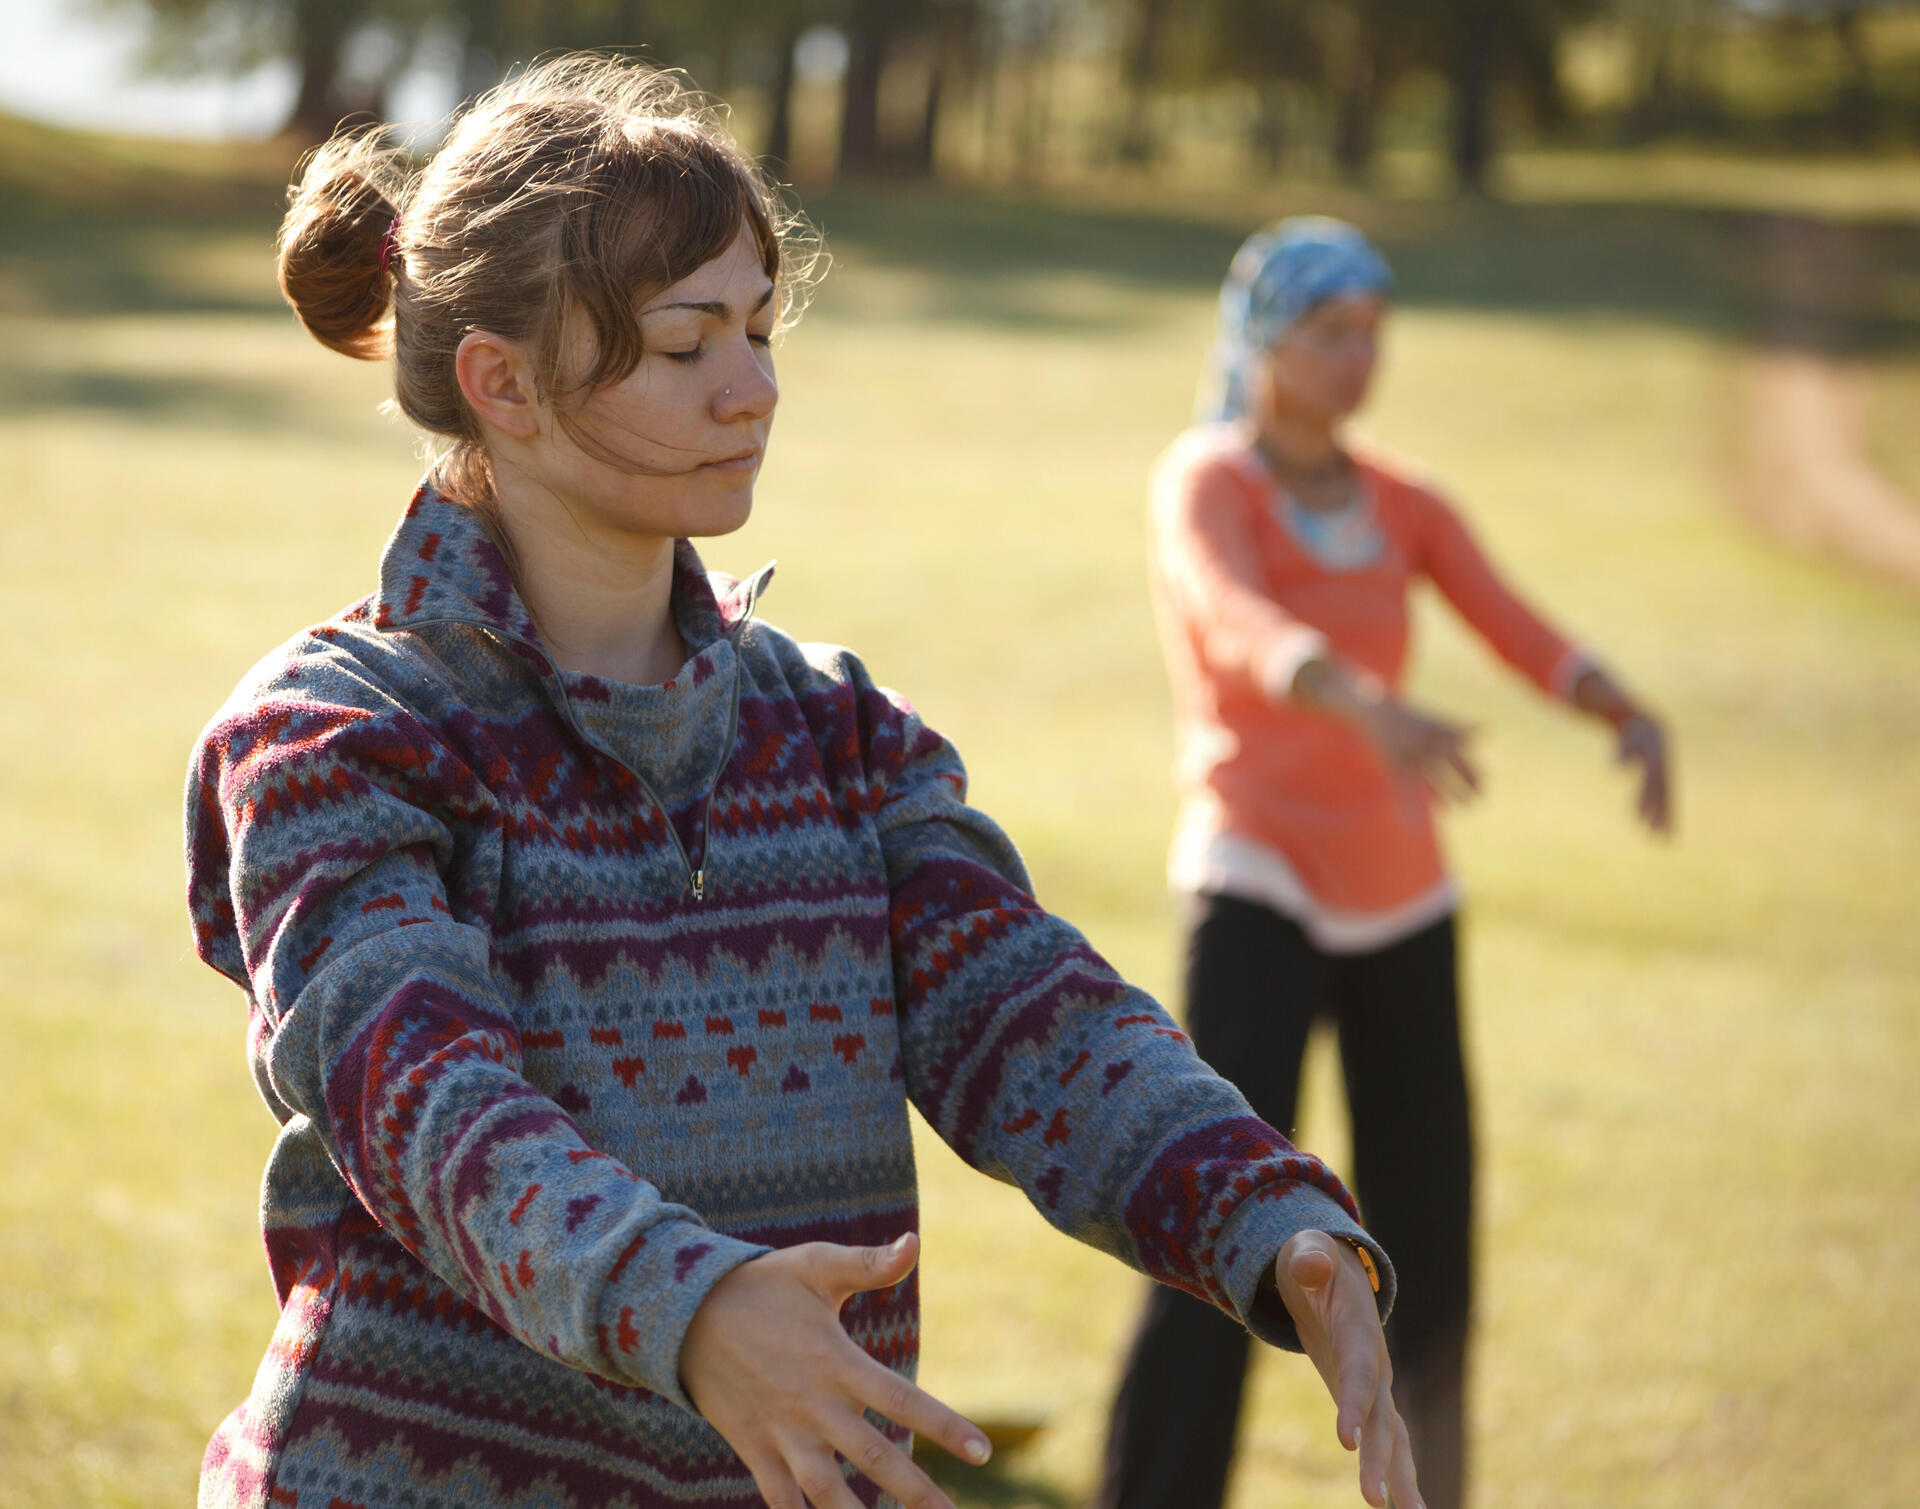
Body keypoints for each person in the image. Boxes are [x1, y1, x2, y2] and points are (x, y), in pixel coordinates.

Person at [182, 62, 1426, 1509]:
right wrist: (694, 1309)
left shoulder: (835, 732)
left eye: (762, 329)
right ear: (501, 381)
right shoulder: (338, 733)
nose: (755, 386)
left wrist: (1268, 1216)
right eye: (685, 343)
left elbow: (1034, 1015)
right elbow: (428, 1106)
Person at [1095, 219, 1673, 1509]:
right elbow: (1237, 621)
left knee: (1429, 1228)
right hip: (1255, 877)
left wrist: (1617, 705)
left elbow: (1510, 617)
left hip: (1400, 892)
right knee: (1217, 1209)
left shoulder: (1404, 499)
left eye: (1375, 332)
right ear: (1267, 341)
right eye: (1331, 332)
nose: (1361, 357)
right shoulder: (1210, 479)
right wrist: (1363, 702)